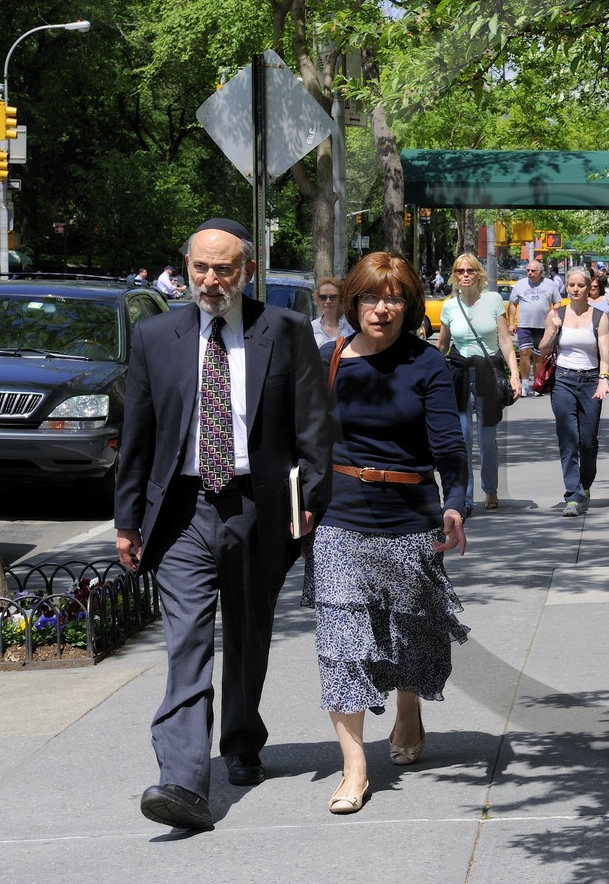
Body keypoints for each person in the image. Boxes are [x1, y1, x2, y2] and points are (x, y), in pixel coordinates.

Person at [115, 218, 333, 833]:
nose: (211, 281)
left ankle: (240, 738)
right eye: (201, 268)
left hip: (255, 507)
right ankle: (182, 781)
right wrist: (127, 520)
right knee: (186, 642)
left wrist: (314, 492)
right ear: (186, 266)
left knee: (247, 631)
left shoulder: (284, 331)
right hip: (182, 511)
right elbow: (139, 437)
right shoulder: (156, 335)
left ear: (247, 271)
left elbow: (314, 419)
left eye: (225, 269)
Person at [309, 251, 469, 815]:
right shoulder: (328, 361)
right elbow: (307, 441)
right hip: (340, 520)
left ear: (409, 304)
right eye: (373, 297)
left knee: (411, 632)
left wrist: (455, 505)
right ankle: (355, 767)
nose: (384, 308)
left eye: (396, 297)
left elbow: (448, 443)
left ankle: (408, 708)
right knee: (342, 645)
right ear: (353, 302)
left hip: (409, 516)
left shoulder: (427, 364)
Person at [437, 253, 521, 514]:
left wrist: (515, 375)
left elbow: (505, 341)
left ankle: (491, 489)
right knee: (462, 439)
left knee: (487, 439)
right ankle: (465, 497)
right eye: (460, 271)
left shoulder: (494, 300)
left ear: (479, 274)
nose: (465, 275)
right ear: (454, 275)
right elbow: (441, 345)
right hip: (459, 374)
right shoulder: (450, 306)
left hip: (487, 374)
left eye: (470, 270)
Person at [538, 267, 609, 517]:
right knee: (568, 439)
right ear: (566, 287)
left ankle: (585, 485)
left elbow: (604, 351)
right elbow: (543, 348)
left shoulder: (599, 316)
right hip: (563, 380)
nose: (576, 289)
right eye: (571, 285)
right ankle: (572, 495)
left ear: (589, 287)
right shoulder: (556, 314)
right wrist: (552, 330)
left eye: (581, 285)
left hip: (591, 381)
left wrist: (603, 379)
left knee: (588, 442)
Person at [509, 259, 558, 396]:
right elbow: (513, 304)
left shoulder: (550, 285)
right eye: (528, 271)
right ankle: (524, 384)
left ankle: (538, 384)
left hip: (543, 326)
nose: (530, 273)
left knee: (539, 356)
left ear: (540, 272)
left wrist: (554, 319)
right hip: (525, 325)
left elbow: (557, 303)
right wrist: (511, 322)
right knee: (524, 353)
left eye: (533, 271)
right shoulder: (520, 285)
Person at [311, 276, 354, 348]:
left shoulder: (352, 326)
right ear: (318, 299)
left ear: (342, 298)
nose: (328, 301)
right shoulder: (312, 327)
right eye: (323, 297)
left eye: (333, 297)